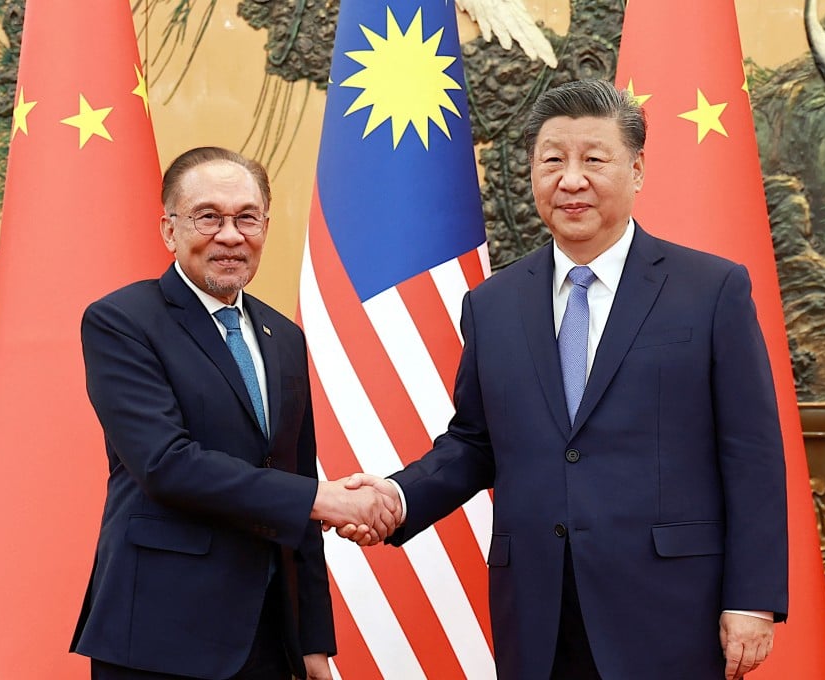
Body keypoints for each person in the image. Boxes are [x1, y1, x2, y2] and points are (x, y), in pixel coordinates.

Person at [338, 79, 789, 679]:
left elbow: (751, 452)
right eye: (552, 160)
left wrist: (752, 597)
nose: (570, 179)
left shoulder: (710, 291)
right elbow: (475, 443)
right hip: (539, 608)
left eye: (593, 160)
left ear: (637, 170)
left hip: (671, 608)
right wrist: (395, 497)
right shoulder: (493, 304)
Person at [70, 146, 397, 680]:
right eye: (208, 217)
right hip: (159, 635)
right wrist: (322, 498)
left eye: (247, 218)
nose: (230, 235)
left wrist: (312, 641)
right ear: (169, 230)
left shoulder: (284, 337)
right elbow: (166, 465)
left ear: (265, 227)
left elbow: (294, 480)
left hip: (268, 638)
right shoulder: (121, 322)